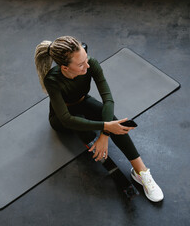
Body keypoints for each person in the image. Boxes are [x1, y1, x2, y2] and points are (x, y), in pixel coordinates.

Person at [34, 36, 164, 202]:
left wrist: (105, 133)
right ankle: (95, 142)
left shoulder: (90, 64)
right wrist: (105, 126)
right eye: (81, 64)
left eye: (86, 59)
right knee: (86, 130)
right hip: (61, 119)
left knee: (115, 122)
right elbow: (66, 119)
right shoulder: (52, 80)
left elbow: (108, 99)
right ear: (65, 67)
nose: (87, 65)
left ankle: (141, 172)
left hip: (83, 101)